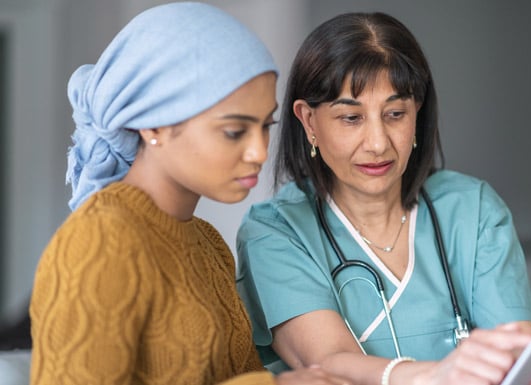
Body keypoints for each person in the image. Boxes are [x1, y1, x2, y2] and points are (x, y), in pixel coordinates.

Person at [236, 11, 531, 385]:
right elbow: (327, 361)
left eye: (394, 114)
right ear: (309, 121)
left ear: (416, 114)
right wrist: (435, 375)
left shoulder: (472, 210)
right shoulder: (276, 232)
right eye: (351, 118)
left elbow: (515, 348)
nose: (378, 144)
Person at [29, 3, 349, 385]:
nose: (259, 152)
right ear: (154, 126)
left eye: (265, 126)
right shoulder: (100, 241)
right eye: (234, 131)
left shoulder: (209, 245)